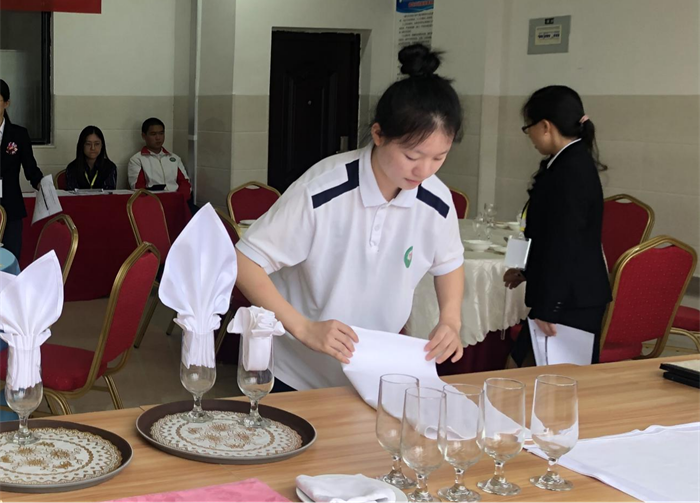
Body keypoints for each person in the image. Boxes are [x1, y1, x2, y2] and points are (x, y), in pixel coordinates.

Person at [235, 44, 466, 391]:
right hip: (296, 369)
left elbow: (449, 262)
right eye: (412, 156)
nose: (424, 170)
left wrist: (450, 320)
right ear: (378, 134)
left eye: (439, 157)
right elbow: (244, 262)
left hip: (372, 369)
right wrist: (304, 328)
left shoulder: (436, 200)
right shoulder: (323, 190)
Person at [504, 85, 612, 364]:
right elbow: (551, 234)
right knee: (524, 372)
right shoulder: (565, 162)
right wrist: (528, 270)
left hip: (570, 301)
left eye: (528, 127)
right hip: (566, 294)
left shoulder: (570, 170)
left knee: (542, 378)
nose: (529, 135)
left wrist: (549, 307)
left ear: (545, 126)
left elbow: (566, 244)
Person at [0, 79, 44, 260]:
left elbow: (30, 168)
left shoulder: (19, 134)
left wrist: (41, 184)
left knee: (10, 258)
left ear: (6, 103)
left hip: (11, 206)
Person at [128, 117, 191, 199]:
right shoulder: (137, 160)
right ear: (144, 136)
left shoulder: (174, 158)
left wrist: (180, 199)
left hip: (177, 200)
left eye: (161, 133)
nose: (158, 138)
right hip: (153, 202)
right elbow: (138, 189)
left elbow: (185, 183)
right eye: (153, 134)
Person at [64, 126, 117, 190]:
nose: (93, 148)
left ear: (102, 145)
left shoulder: (110, 167)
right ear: (82, 145)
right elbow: (71, 193)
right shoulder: (72, 168)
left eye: (97, 144)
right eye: (88, 144)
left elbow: (109, 192)